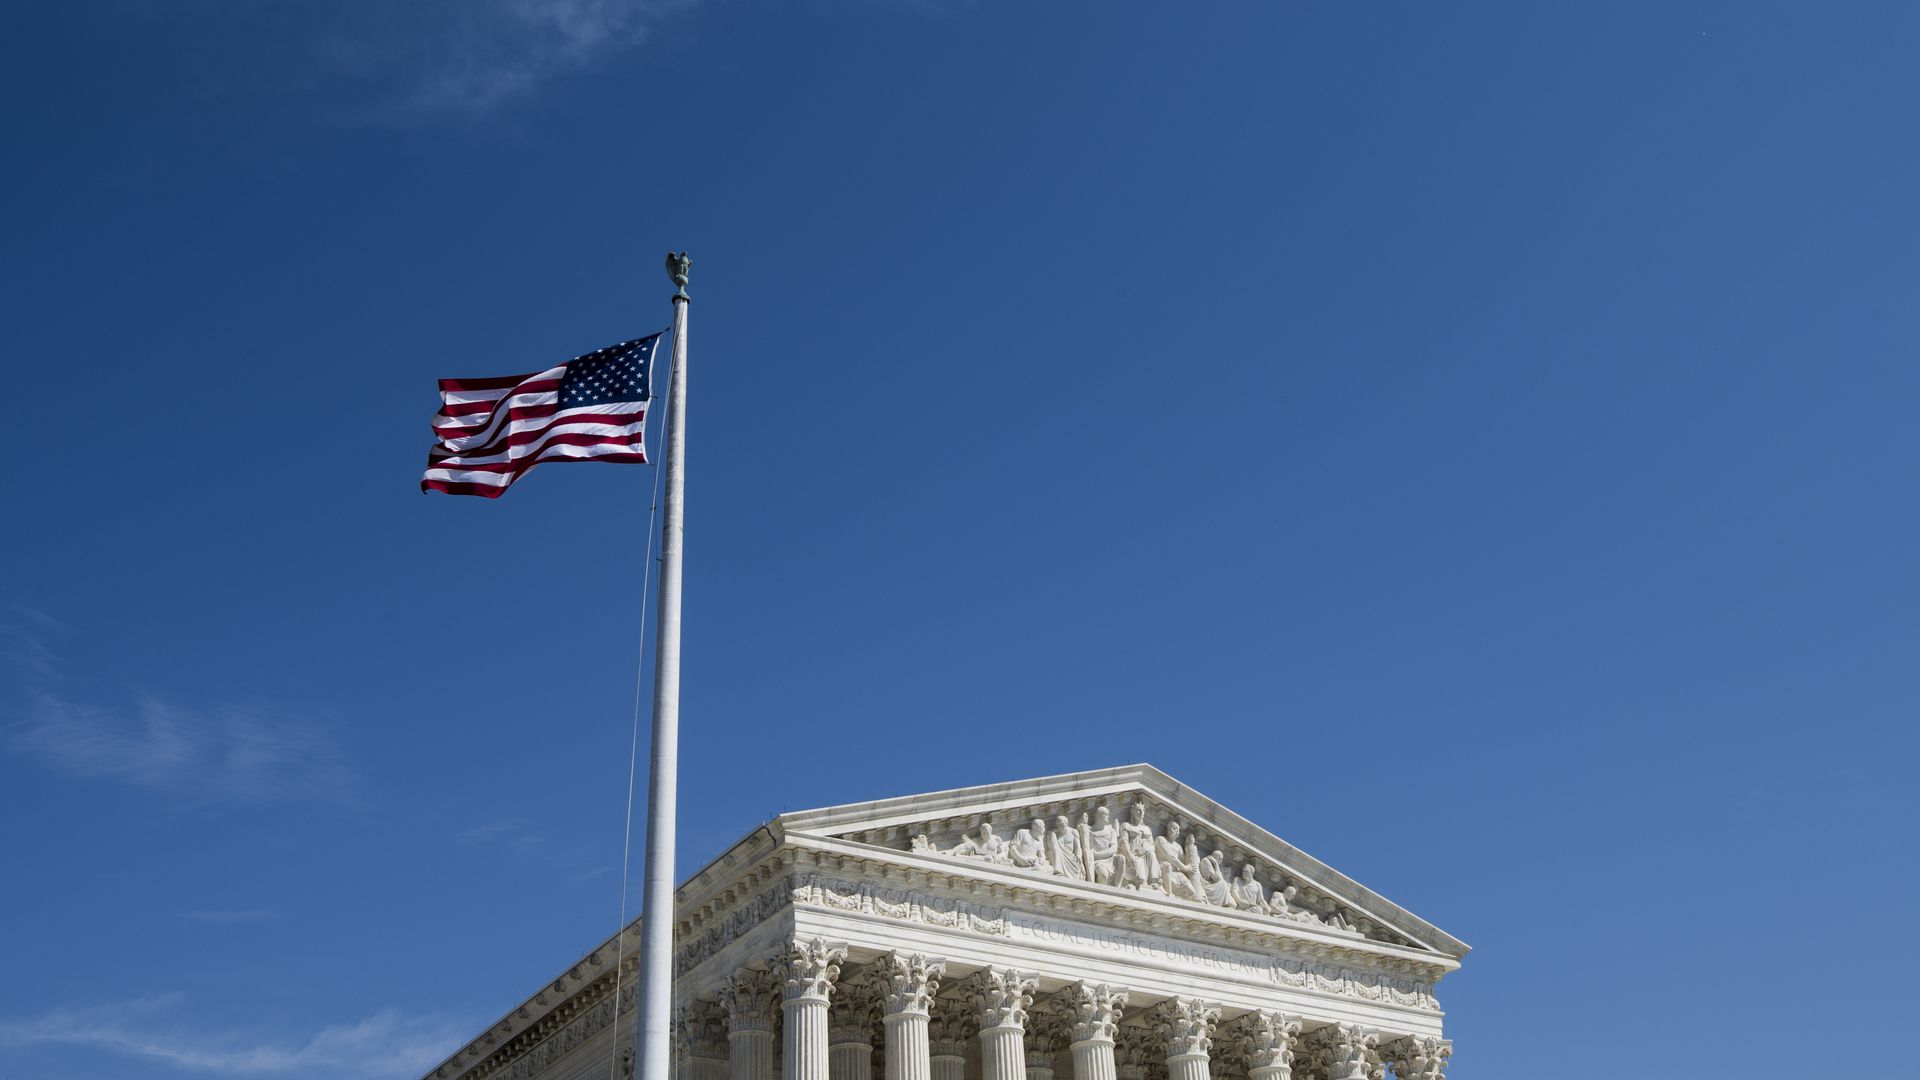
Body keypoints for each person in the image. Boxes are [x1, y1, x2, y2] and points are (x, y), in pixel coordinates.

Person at [1152, 820, 1204, 901]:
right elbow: (1170, 857)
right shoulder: (1160, 839)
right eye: (1169, 828)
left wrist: (1189, 845)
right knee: (1167, 865)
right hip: (1162, 869)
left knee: (1192, 893)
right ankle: (1169, 894)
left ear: (1178, 832)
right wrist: (1185, 868)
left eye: (1174, 828)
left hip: (1176, 873)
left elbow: (1184, 861)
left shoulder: (1178, 846)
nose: (1171, 830)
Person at [1117, 802, 1160, 890]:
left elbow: (1152, 846)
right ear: (1132, 811)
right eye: (1138, 810)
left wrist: (1144, 849)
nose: (1141, 813)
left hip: (1145, 854)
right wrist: (1129, 856)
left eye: (1143, 810)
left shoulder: (1147, 829)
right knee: (1137, 862)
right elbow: (1124, 842)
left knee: (1152, 854)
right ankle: (1141, 882)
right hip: (1132, 854)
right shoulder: (1126, 825)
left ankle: (1153, 881)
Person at [1085, 805, 1120, 885]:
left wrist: (1098, 854)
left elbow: (1114, 848)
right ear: (1102, 816)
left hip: (1110, 859)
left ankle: (1118, 887)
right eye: (1106, 815)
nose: (1108, 817)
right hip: (1098, 861)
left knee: (1121, 859)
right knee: (1103, 876)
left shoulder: (1111, 830)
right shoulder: (1090, 831)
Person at [1047, 815, 1085, 879]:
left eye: (1062, 824)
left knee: (1077, 862)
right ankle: (1058, 871)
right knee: (1056, 850)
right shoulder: (1055, 834)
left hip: (1071, 858)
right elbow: (1052, 847)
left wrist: (1079, 854)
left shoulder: (1073, 832)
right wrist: (1052, 833)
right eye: (1058, 825)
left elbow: (1078, 846)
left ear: (1067, 823)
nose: (1060, 826)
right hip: (1059, 857)